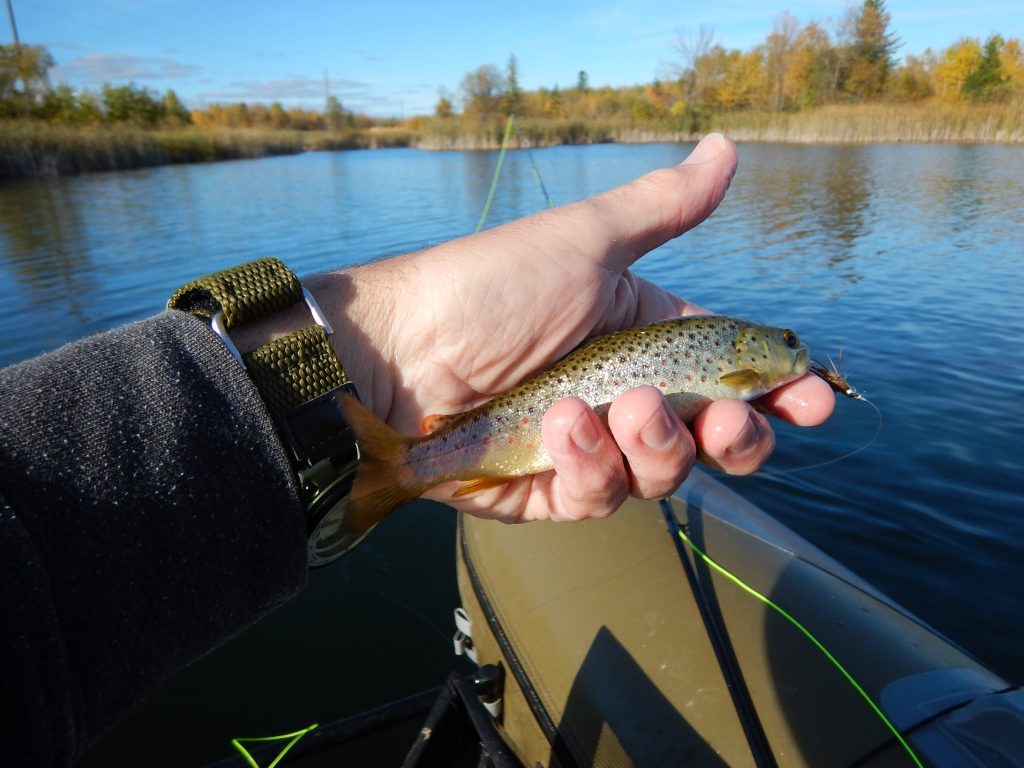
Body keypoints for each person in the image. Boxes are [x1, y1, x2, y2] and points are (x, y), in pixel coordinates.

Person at [0, 133, 833, 767]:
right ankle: (396, 468)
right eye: (787, 344)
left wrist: (365, 368)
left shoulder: (733, 352)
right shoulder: (754, 354)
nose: (791, 354)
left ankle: (394, 464)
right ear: (761, 350)